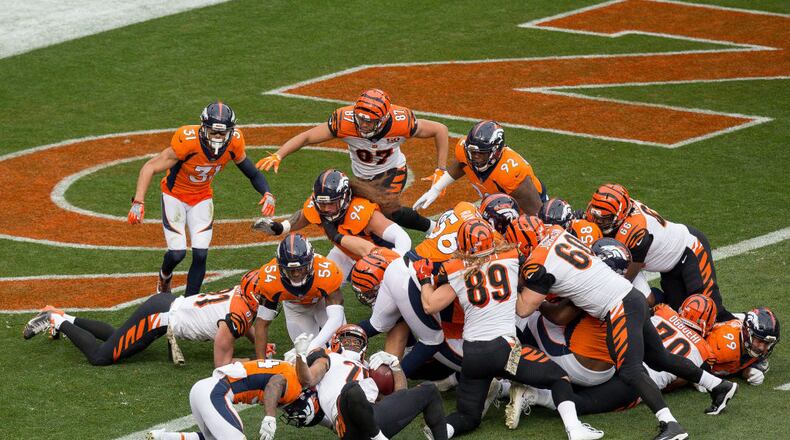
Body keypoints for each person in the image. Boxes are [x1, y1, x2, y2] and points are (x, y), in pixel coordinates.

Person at [515, 220, 738, 440]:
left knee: (630, 371)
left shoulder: (543, 259)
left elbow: (524, 309)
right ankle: (718, 385)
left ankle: (671, 425)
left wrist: (513, 288)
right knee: (659, 358)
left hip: (619, 308)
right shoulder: (559, 235)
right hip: (631, 298)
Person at [418, 219, 603, 440]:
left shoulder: (456, 271)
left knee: (468, 416)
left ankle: (443, 431)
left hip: (473, 356)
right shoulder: (511, 258)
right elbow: (528, 289)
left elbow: (430, 305)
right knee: (559, 377)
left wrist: (424, 279)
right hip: (504, 350)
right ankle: (575, 429)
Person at [128, 102, 276, 296]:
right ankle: (164, 275)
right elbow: (150, 167)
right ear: (204, 127)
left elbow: (252, 173)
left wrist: (267, 193)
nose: (218, 137)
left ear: (231, 132)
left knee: (200, 254)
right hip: (175, 196)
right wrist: (138, 201)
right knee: (177, 253)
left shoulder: (234, 143)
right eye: (214, 132)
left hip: (201, 198)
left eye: (222, 133)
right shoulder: (188, 141)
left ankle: (189, 305)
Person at [258, 88, 449, 232]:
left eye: (369, 121)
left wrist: (440, 169)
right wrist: (279, 154)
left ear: (383, 119)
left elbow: (440, 129)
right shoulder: (344, 121)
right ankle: (282, 228)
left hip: (392, 171)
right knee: (329, 200)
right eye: (361, 119)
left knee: (387, 210)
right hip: (362, 177)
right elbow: (308, 136)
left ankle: (434, 228)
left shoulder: (401, 122)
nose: (364, 125)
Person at [23, 271, 266, 367]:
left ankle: (66, 316)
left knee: (118, 337)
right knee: (101, 357)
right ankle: (56, 321)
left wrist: (259, 345)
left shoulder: (240, 295)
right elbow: (221, 365)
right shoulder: (241, 312)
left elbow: (242, 322)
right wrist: (254, 360)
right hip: (159, 316)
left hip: (165, 306)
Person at [585, 183, 734, 320]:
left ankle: (740, 335)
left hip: (690, 250)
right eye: (596, 215)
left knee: (709, 312)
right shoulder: (600, 213)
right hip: (668, 266)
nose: (598, 221)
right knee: (682, 316)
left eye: (606, 218)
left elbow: (625, 278)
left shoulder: (636, 230)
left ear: (621, 214)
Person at [292, 325, 449, 439]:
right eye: (348, 340)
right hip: (348, 423)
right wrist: (300, 356)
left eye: (357, 342)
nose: (353, 344)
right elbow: (308, 379)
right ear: (336, 342)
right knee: (352, 389)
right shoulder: (328, 358)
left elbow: (400, 395)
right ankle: (377, 437)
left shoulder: (371, 368)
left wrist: (395, 365)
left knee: (429, 389)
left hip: (373, 416)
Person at [253, 169, 411, 280]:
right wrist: (281, 228)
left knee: (384, 298)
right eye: (322, 204)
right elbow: (304, 215)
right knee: (323, 282)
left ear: (345, 198)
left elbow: (402, 237)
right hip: (345, 252)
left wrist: (397, 261)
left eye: (332, 204)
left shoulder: (362, 212)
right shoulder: (318, 206)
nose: (326, 209)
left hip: (378, 256)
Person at [146, 358, 303, 440]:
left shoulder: (284, 366)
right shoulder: (294, 383)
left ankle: (164, 437)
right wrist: (270, 417)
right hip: (215, 393)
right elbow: (274, 384)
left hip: (203, 389)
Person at [413, 120, 546, 215]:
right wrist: (436, 189)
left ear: (496, 151)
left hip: (524, 209)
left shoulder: (511, 173)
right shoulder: (465, 151)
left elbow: (536, 215)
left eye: (481, 153)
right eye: (473, 152)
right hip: (497, 205)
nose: (475, 157)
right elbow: (461, 164)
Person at [253, 233, 345, 359]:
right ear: (280, 268)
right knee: (311, 358)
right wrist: (260, 363)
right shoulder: (270, 280)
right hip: (295, 308)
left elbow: (336, 318)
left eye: (300, 269)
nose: (296, 274)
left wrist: (312, 346)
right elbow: (261, 323)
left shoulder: (326, 271)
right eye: (290, 270)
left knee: (342, 346)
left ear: (310, 263)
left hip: (321, 302)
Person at [706, 307, 779, 386]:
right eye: (760, 341)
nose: (762, 347)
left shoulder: (754, 349)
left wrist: (747, 371)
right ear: (747, 333)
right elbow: (693, 360)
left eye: (767, 343)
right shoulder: (724, 347)